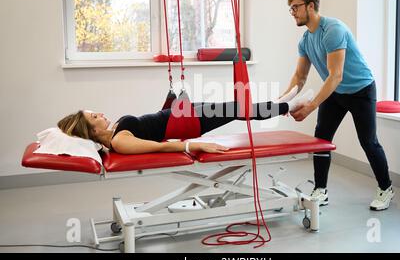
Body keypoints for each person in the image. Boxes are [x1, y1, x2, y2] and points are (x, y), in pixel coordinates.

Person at [282, 0, 394, 211]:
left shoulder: (333, 30)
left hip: (360, 90)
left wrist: (311, 107)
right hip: (335, 92)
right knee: (321, 138)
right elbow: (300, 76)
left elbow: (336, 75)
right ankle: (320, 190)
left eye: (296, 7)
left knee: (368, 142)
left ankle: (386, 188)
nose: (292, 12)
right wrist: (285, 101)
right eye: (290, 9)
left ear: (311, 6)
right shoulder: (305, 39)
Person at [57, 88, 311, 155]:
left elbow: (150, 127)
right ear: (90, 131)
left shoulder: (115, 132)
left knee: (235, 106)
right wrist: (193, 146)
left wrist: (169, 102)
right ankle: (289, 105)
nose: (100, 114)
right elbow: (160, 146)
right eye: (94, 117)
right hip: (186, 123)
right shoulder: (119, 141)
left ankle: (282, 102)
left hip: (178, 114)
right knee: (237, 108)